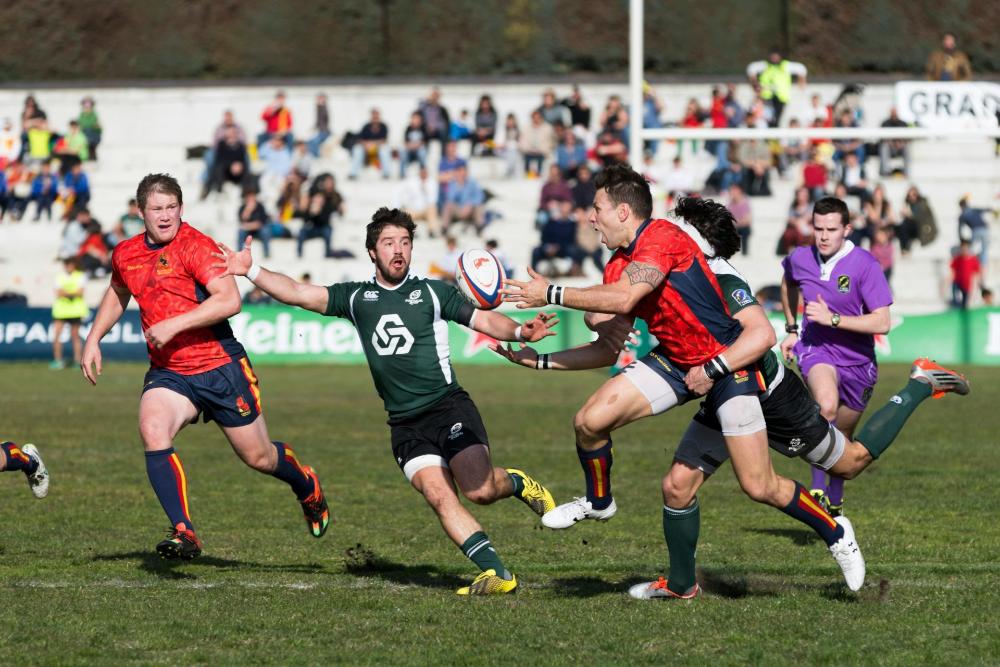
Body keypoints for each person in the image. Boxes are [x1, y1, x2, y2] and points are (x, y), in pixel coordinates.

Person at [496, 195, 968, 598]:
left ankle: (915, 388)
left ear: (699, 243)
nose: (671, 233)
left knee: (845, 464)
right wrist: (544, 354)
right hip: (715, 384)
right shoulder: (656, 266)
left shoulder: (723, 278)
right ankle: (681, 586)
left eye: (683, 229)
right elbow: (610, 330)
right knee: (676, 487)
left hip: (764, 388)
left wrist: (708, 366)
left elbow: (757, 337)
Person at [213, 207, 559, 596]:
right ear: (372, 252)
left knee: (480, 491)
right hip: (405, 425)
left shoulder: (433, 291)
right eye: (389, 243)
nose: (399, 250)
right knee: (439, 495)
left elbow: (482, 321)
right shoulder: (358, 297)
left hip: (449, 407)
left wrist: (519, 331)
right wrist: (251, 270)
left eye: (406, 243)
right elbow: (299, 293)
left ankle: (516, 483)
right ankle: (497, 573)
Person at [80, 173, 329, 561]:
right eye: (156, 209)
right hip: (170, 371)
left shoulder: (197, 245)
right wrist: (94, 338)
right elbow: (118, 291)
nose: (165, 217)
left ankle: (306, 483)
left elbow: (229, 300)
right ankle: (185, 532)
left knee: (259, 458)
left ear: (181, 208)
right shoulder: (125, 253)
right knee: (152, 427)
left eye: (172, 208)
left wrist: (174, 324)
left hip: (219, 367)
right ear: (140, 212)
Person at [781, 197, 893, 516]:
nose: (824, 236)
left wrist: (834, 319)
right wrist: (792, 328)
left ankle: (836, 497)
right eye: (818, 228)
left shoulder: (865, 265)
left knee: (842, 435)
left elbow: (882, 322)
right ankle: (816, 491)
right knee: (825, 408)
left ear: (847, 229)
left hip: (859, 362)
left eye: (831, 229)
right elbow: (787, 281)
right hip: (816, 349)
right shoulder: (800, 257)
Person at [746, 49, 807, 127]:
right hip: (766, 97)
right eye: (773, 57)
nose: (774, 59)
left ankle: (773, 137)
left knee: (776, 120)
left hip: (781, 98)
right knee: (767, 119)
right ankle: (769, 137)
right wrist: (754, 83)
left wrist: (802, 81)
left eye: (776, 57)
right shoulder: (765, 66)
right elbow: (751, 68)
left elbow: (801, 69)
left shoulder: (785, 66)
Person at [52, 256, 89, 370]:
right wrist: (72, 293)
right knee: (57, 335)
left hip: (75, 310)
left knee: (75, 336)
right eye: (66, 264)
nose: (68, 266)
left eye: (70, 264)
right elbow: (58, 293)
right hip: (61, 310)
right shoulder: (59, 277)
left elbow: (80, 292)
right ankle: (58, 361)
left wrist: (65, 292)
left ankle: (77, 360)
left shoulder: (80, 276)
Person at [349, 108, 392, 180]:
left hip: (378, 148)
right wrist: (366, 145)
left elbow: (384, 140)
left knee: (384, 150)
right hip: (367, 148)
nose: (375, 117)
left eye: (376, 116)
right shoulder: (366, 126)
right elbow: (360, 139)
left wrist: (373, 144)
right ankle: (353, 173)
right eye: (373, 116)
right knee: (357, 149)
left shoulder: (383, 126)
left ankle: (386, 173)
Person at [950, 240, 981, 309]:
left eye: (966, 249)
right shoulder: (957, 259)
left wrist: (978, 282)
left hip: (966, 283)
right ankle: (955, 305)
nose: (964, 251)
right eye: (962, 249)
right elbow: (952, 269)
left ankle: (963, 309)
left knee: (965, 300)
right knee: (954, 292)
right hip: (957, 281)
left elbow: (977, 271)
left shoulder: (973, 259)